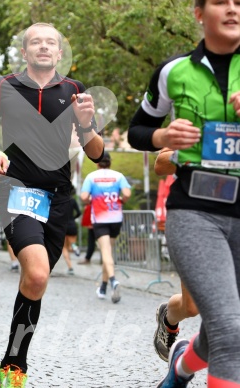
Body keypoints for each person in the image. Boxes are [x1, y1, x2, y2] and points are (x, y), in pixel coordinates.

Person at [0, 22, 104, 387]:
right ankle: (16, 366)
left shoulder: (74, 91)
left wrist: (87, 123)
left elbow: (97, 153)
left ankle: (13, 356)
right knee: (38, 273)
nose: (43, 47)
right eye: (36, 42)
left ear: (59, 53)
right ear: (25, 52)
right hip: (17, 192)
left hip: (59, 198)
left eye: (51, 43)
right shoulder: (3, 87)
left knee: (34, 282)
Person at [128, 0, 240, 385]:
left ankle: (179, 366)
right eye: (221, 2)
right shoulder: (174, 71)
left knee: (224, 331)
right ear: (198, 12)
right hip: (195, 209)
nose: (232, 9)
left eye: (239, 2)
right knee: (229, 327)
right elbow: (138, 130)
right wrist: (163, 135)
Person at [152, 148, 200, 362]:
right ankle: (168, 318)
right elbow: (161, 163)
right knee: (192, 307)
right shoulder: (200, 120)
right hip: (199, 219)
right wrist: (206, 148)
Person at [80, 152, 131, 303]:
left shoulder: (91, 177)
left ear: (97, 163)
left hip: (100, 218)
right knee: (108, 252)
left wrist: (92, 198)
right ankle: (103, 287)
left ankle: (113, 280)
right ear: (110, 162)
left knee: (106, 252)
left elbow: (83, 197)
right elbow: (127, 193)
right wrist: (121, 199)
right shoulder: (118, 176)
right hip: (115, 217)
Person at [61, 188, 81, 275]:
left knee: (64, 248)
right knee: (71, 245)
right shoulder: (73, 201)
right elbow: (79, 212)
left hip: (63, 226)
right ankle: (75, 247)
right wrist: (73, 218)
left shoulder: (61, 201)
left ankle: (70, 267)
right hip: (72, 225)